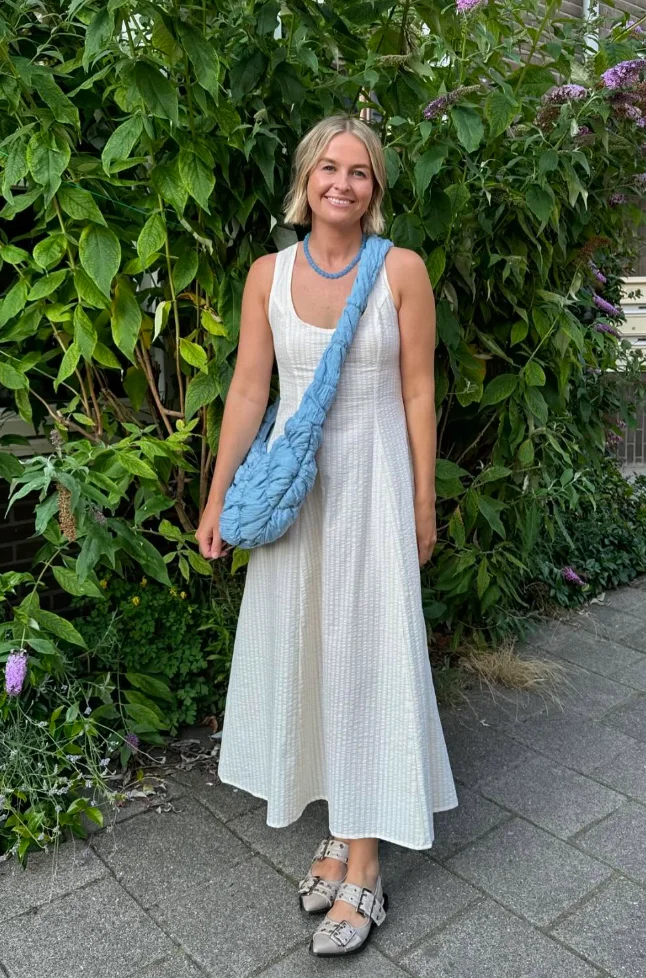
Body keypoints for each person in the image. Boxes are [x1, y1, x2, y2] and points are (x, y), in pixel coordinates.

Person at [195, 113, 458, 957]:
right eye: (328, 169)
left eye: (360, 173)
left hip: (375, 487)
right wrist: (216, 499)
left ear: (375, 189)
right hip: (298, 490)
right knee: (309, 652)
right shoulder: (267, 273)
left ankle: (367, 862)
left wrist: (422, 503)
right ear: (306, 181)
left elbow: (419, 394)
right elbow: (246, 390)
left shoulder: (402, 272)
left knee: (369, 654)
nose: (342, 184)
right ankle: (340, 828)